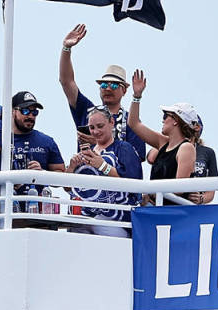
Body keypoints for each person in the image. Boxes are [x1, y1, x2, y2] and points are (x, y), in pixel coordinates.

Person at [58, 24, 146, 165]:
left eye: (114, 85)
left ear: (124, 90)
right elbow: (67, 82)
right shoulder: (87, 110)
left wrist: (100, 142)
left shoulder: (131, 121)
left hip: (115, 178)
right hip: (86, 176)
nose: (108, 88)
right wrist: (66, 48)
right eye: (104, 85)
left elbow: (136, 158)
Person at [126, 71, 209, 204]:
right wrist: (137, 96)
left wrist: (152, 193)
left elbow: (179, 189)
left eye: (166, 116)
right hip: (157, 207)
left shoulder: (186, 148)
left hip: (171, 212)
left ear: (176, 120)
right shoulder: (163, 142)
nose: (163, 120)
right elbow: (133, 123)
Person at [65, 107, 143, 235]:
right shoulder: (87, 152)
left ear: (112, 122)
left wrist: (102, 166)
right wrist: (72, 167)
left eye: (100, 126)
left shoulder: (123, 148)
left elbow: (132, 183)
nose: (96, 131)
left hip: (114, 219)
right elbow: (69, 188)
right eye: (92, 128)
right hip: (83, 217)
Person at [7, 91, 67, 220]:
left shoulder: (46, 141)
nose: (30, 116)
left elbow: (62, 177)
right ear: (12, 111)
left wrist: (42, 173)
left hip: (38, 213)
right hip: (6, 211)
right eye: (25, 111)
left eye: (34, 112)